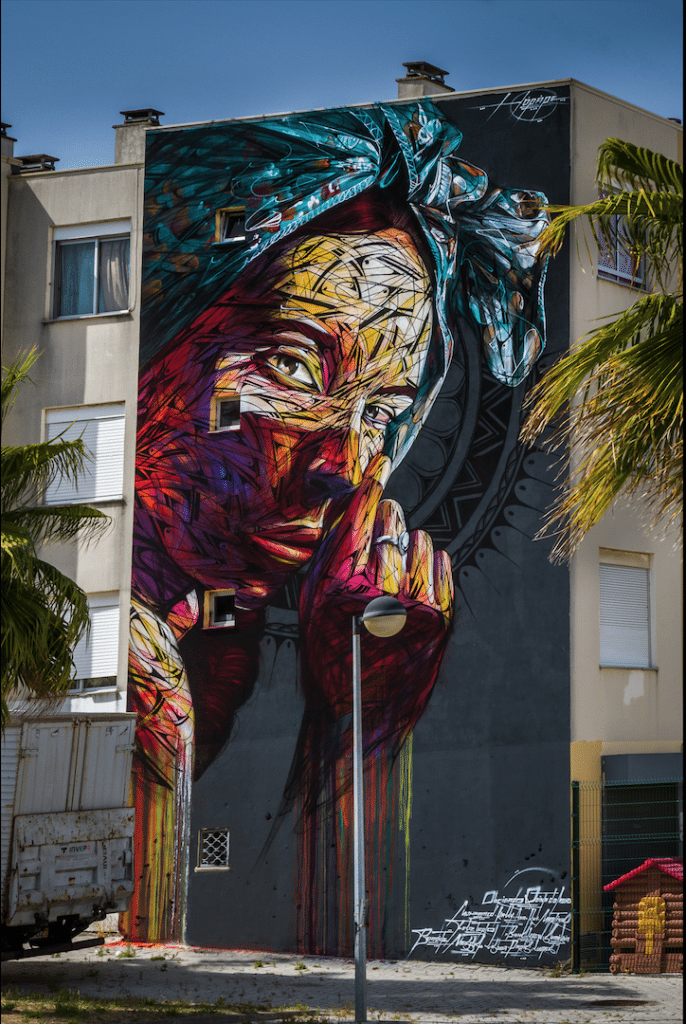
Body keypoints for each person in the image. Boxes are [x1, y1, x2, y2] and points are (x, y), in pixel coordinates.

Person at [125, 101, 550, 943]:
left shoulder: (210, 638)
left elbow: (343, 938)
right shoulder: (115, 667)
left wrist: (361, 707)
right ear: (155, 345)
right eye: (292, 365)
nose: (344, 465)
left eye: (384, 412)